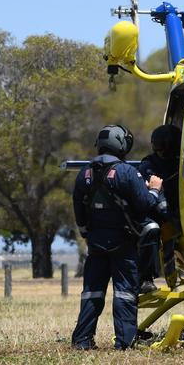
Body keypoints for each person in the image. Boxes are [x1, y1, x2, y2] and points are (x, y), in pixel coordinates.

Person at [71, 124, 166, 351]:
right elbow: (145, 205)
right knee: (124, 293)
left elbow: (79, 212)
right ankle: (125, 342)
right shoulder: (127, 172)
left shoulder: (83, 173)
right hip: (123, 244)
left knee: (92, 292)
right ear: (122, 145)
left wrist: (87, 234)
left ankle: (82, 340)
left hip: (95, 244)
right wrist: (154, 189)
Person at [138, 125, 182, 291]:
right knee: (157, 231)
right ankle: (150, 278)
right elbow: (157, 201)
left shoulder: (182, 163)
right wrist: (170, 217)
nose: (162, 152)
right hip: (160, 215)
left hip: (180, 211)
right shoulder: (148, 166)